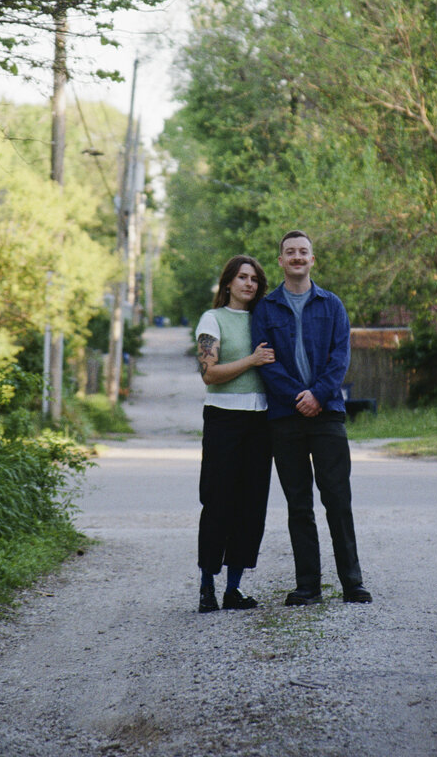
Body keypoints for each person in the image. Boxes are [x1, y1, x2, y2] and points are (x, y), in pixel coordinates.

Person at [251, 230, 372, 606]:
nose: (297, 257)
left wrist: (317, 395)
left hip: (328, 416)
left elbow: (340, 359)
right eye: (290, 252)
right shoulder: (266, 309)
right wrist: (297, 397)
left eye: (304, 252)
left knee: (338, 500)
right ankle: (309, 586)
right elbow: (265, 363)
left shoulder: (332, 305)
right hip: (285, 418)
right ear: (281, 261)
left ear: (312, 260)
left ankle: (352, 583)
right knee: (299, 504)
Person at [195, 255, 275, 613]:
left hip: (261, 422)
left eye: (255, 279)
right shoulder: (213, 320)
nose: (249, 284)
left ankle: (234, 588)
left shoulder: (264, 317)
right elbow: (209, 373)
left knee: (251, 504)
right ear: (228, 282)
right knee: (218, 501)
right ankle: (207, 585)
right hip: (223, 419)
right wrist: (251, 361)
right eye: (242, 277)